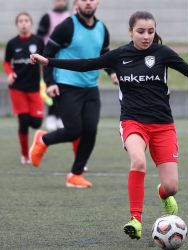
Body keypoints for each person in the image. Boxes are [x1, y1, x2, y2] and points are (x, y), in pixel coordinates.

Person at [31, 10, 188, 241]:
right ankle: (135, 219)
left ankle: (163, 194)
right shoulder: (119, 55)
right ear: (130, 31)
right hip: (133, 121)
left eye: (151, 31)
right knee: (138, 160)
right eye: (141, 31)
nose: (146, 36)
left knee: (172, 186)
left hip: (163, 125)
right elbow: (87, 64)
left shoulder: (162, 53)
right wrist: (49, 61)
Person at [29, 0, 118, 188]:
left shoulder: (102, 29)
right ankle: (43, 139)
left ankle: (75, 175)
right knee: (73, 131)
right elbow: (47, 54)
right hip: (65, 86)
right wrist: (50, 82)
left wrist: (111, 72)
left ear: (97, 3)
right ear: (77, 3)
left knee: (90, 131)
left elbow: (104, 54)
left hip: (91, 88)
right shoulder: (66, 27)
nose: (88, 3)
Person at [3, 12, 44, 165]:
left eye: (26, 20)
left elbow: (45, 60)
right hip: (17, 88)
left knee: (36, 123)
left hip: (34, 88)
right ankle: (24, 155)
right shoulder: (12, 43)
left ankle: (36, 140)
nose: (23, 23)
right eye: (20, 21)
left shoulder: (38, 41)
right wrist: (10, 73)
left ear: (31, 23)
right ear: (17, 24)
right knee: (23, 120)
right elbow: (6, 62)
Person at [37, 0, 70, 131]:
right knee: (50, 86)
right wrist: (40, 57)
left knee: (63, 87)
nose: (60, 2)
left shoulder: (70, 17)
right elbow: (39, 38)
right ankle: (51, 115)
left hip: (65, 59)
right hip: (49, 58)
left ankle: (60, 116)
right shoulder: (47, 17)